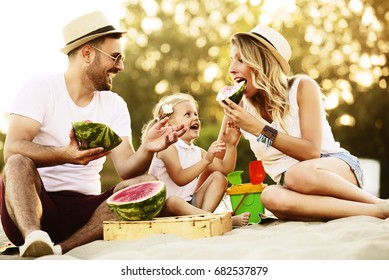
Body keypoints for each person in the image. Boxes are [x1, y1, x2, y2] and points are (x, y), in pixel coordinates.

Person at [0, 11, 187, 258]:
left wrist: (148, 148)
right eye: (115, 57)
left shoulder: (115, 104)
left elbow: (128, 171)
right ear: (87, 54)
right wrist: (65, 155)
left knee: (149, 182)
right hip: (32, 208)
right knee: (16, 163)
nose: (120, 66)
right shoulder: (39, 89)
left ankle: (59, 249)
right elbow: (12, 148)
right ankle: (35, 238)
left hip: (88, 214)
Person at [218, 24, 389, 221]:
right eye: (231, 61)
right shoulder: (238, 106)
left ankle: (377, 203)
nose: (231, 70)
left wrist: (258, 128)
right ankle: (377, 211)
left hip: (333, 169)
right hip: (293, 186)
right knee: (270, 196)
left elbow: (311, 152)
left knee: (295, 175)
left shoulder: (302, 87)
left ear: (261, 62)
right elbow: (219, 163)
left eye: (240, 60)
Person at [143, 93, 250, 226]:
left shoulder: (197, 151)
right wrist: (206, 161)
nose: (195, 118)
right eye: (188, 114)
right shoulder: (167, 148)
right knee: (173, 201)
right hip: (163, 209)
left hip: (190, 206)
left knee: (219, 177)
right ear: (169, 123)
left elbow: (225, 168)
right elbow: (179, 178)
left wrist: (231, 145)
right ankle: (219, 220)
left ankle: (205, 220)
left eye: (195, 114)